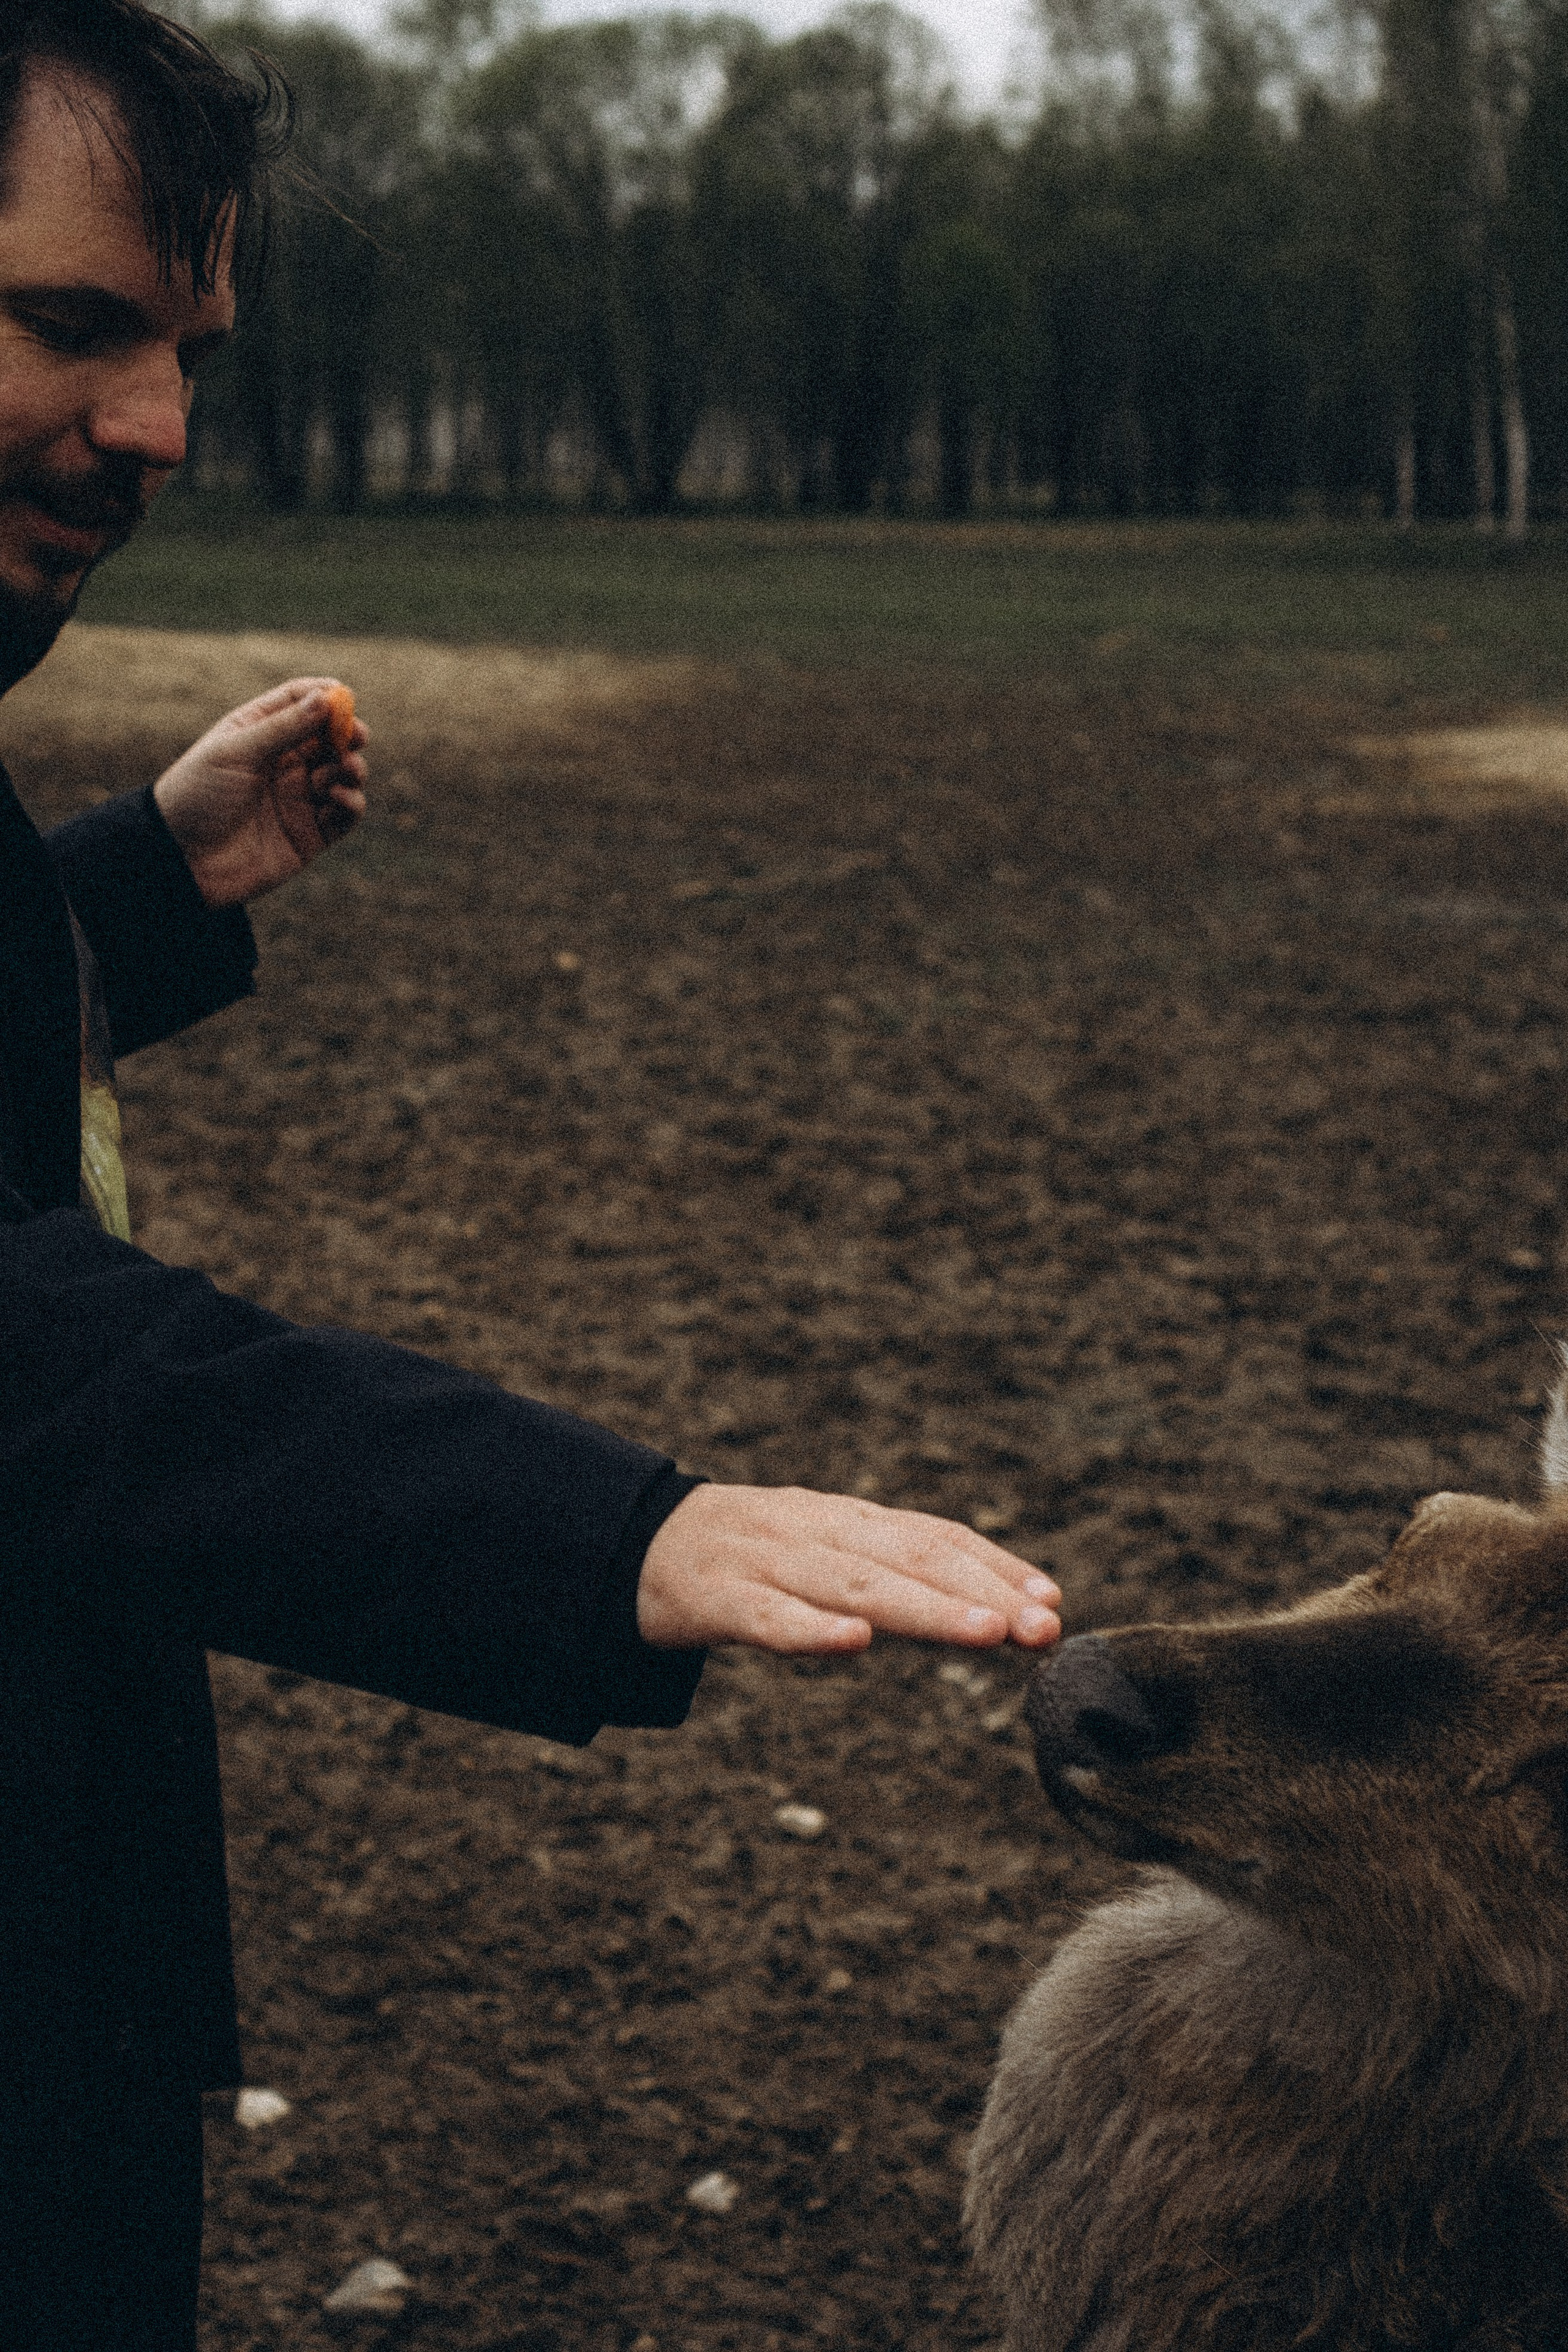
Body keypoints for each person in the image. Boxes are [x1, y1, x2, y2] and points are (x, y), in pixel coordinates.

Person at [0, 5, 1063, 2345]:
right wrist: (607, 1533)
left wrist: (130, 901)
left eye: (184, 348)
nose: (162, 425)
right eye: (72, 324)